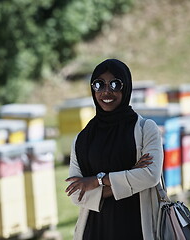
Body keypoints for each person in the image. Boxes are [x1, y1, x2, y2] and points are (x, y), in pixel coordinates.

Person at [65, 59, 164, 240]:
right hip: (94, 231)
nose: (106, 91)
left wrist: (97, 181)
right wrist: (132, 175)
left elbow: (150, 176)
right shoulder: (82, 139)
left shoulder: (145, 129)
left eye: (115, 84)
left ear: (126, 87)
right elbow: (76, 195)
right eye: (99, 84)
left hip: (137, 228)